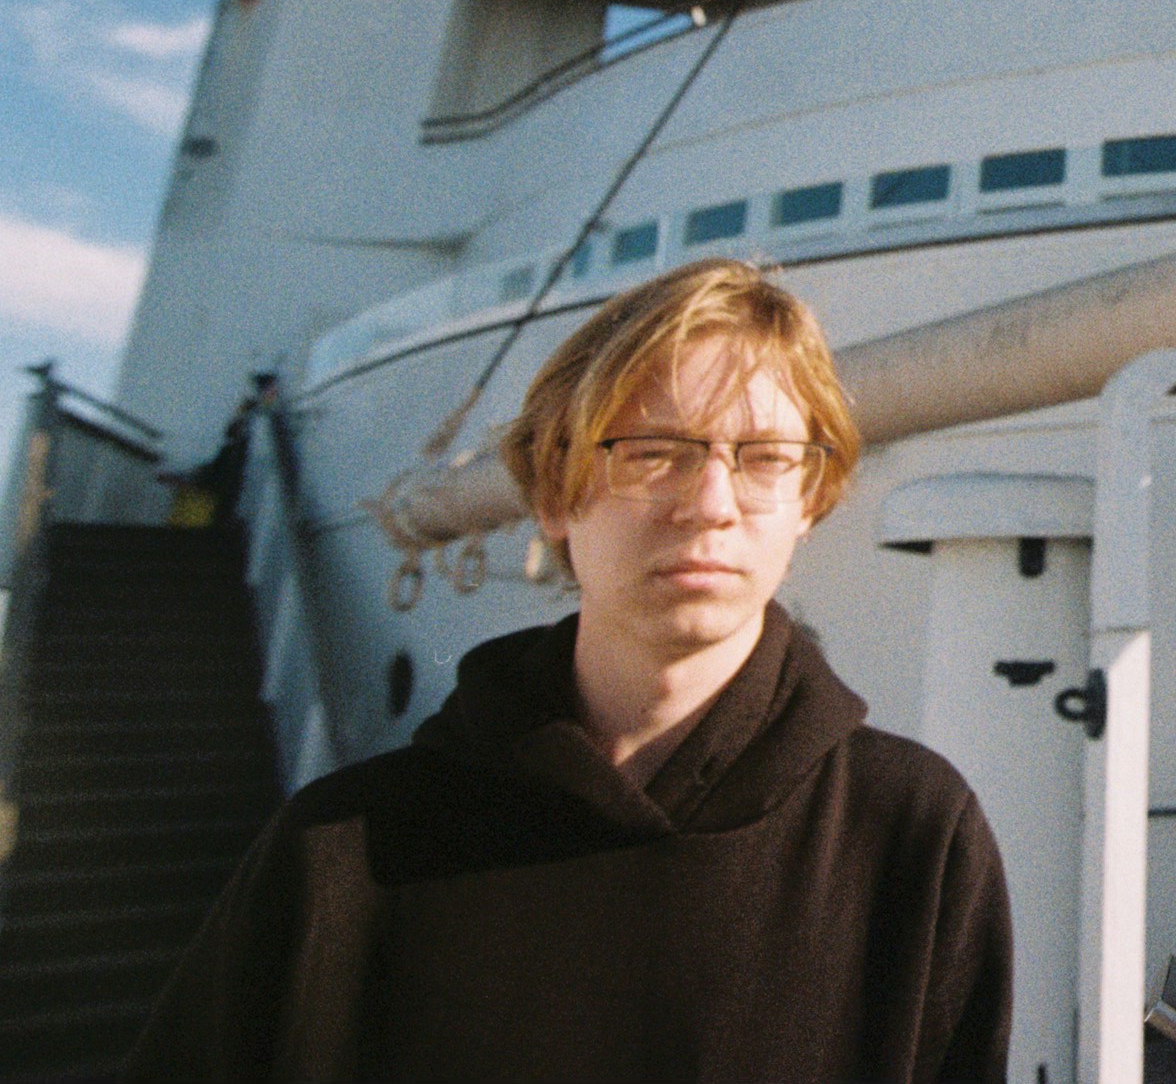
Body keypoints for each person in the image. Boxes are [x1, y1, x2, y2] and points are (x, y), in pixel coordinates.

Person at [128, 259, 1011, 1083]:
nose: (710, 506)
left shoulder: (913, 835)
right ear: (553, 493)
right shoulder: (343, 853)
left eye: (764, 458)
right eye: (653, 451)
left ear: (808, 503)